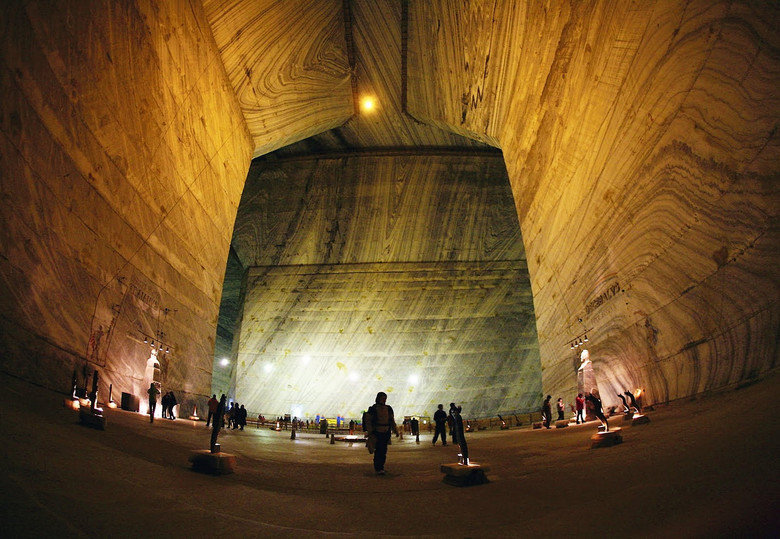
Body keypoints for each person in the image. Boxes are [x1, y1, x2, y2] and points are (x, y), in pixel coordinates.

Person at [364, 392, 399, 475]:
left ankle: (381, 467)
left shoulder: (388, 408)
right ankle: (378, 468)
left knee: (383, 450)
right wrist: (370, 431)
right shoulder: (373, 408)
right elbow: (368, 421)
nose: (384, 400)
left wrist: (395, 430)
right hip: (377, 432)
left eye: (385, 398)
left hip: (385, 432)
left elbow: (391, 420)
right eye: (383, 398)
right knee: (378, 450)